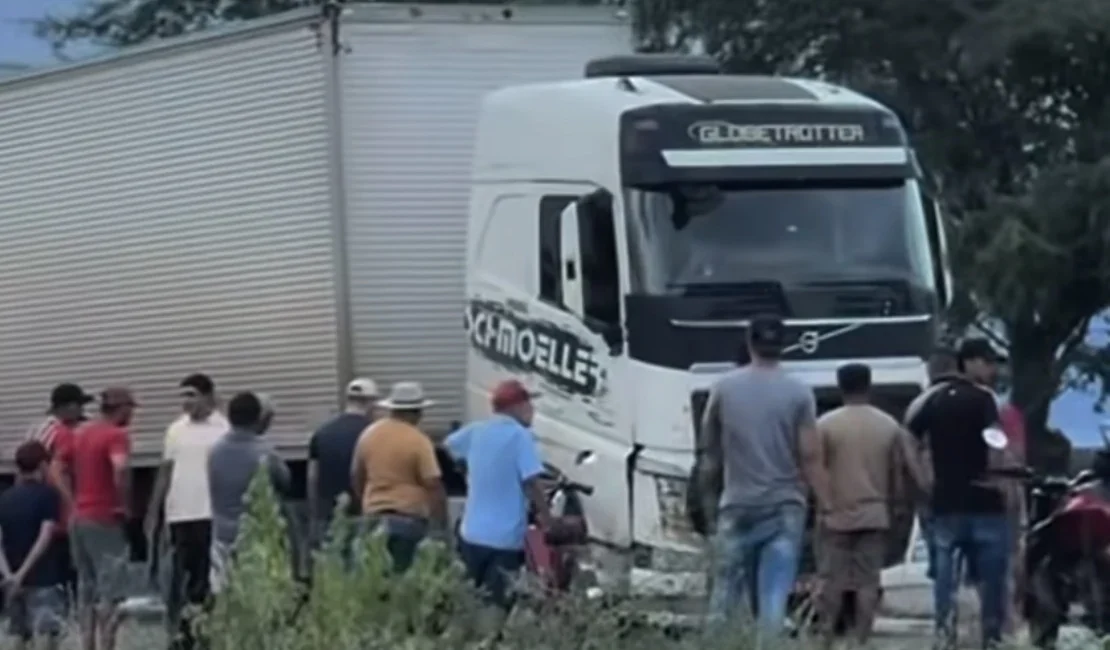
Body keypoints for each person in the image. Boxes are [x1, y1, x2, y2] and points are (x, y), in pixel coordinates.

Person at [696, 314, 829, 633]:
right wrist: (829, 503)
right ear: (782, 346)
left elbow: (709, 455)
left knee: (724, 595)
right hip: (785, 506)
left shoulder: (723, 389)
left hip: (737, 503)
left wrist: (708, 505)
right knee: (773, 598)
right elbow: (810, 456)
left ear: (750, 343)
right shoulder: (799, 392)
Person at [906, 337, 1009, 649]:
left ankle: (945, 635)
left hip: (946, 502)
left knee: (945, 579)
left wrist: (923, 477)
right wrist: (999, 475)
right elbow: (994, 444)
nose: (992, 370)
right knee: (991, 580)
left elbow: (907, 437)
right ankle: (991, 639)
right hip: (983, 501)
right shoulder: (984, 399)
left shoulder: (933, 400)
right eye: (988, 363)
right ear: (970, 362)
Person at [816, 363, 927, 648]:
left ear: (840, 386)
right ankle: (860, 639)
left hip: (835, 515)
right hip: (875, 514)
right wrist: (898, 506)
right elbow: (897, 472)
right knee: (868, 581)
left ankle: (826, 636)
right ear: (869, 385)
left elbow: (817, 468)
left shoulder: (826, 424)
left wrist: (822, 505)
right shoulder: (888, 424)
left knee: (832, 580)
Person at [445, 379, 552, 610]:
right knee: (496, 608)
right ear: (517, 407)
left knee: (469, 602)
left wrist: (467, 469)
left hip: (470, 534)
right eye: (529, 405)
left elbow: (448, 447)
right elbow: (532, 482)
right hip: (503, 541)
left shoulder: (476, 431)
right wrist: (548, 520)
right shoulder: (520, 436)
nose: (532, 411)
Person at [146, 373, 228, 650]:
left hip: (209, 512)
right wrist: (154, 511)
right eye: (183, 396)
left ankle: (206, 633)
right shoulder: (176, 429)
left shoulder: (222, 428)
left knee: (207, 578)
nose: (186, 402)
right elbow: (165, 472)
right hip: (180, 514)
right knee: (182, 578)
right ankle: (183, 635)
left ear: (208, 396)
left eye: (192, 395)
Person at [65, 387, 137, 650]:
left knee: (86, 586)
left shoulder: (81, 434)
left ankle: (87, 644)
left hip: (79, 516)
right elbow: (120, 468)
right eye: (130, 408)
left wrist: (71, 499)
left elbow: (59, 467)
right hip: (104, 518)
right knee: (111, 587)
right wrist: (124, 504)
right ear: (121, 408)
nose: (132, 414)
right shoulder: (116, 435)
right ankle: (107, 644)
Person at [351, 381, 446, 573]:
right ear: (415, 412)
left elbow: (356, 475)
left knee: (372, 582)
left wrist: (366, 500)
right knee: (403, 584)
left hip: (373, 518)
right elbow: (433, 485)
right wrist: (439, 523)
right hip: (408, 521)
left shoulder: (368, 435)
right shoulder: (419, 441)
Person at [207, 392, 291, 595]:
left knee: (227, 594)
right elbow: (285, 482)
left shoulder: (215, 452)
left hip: (222, 536)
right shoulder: (266, 453)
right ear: (257, 418)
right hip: (258, 538)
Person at [27, 382, 94, 603]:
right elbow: (39, 463)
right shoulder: (53, 431)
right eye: (79, 406)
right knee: (63, 554)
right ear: (66, 407)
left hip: (62, 500)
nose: (83, 412)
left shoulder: (52, 428)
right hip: (57, 502)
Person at [0, 441, 67, 649]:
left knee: (20, 636)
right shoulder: (48, 495)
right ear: (42, 465)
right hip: (43, 576)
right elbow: (45, 536)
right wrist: (23, 572)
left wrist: (9, 574)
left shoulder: (5, 498)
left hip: (11, 577)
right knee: (47, 634)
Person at [904, 347, 960, 581]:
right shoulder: (976, 397)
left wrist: (920, 480)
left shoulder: (920, 403)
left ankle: (944, 595)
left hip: (931, 484)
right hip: (968, 484)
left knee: (939, 545)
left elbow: (908, 445)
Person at [308, 378, 379, 548]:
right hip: (364, 515)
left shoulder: (322, 433)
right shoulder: (375, 434)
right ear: (370, 403)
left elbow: (312, 479)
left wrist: (314, 516)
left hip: (330, 517)